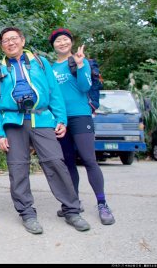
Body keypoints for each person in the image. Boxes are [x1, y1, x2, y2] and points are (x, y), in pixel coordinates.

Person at [0, 26, 91, 235]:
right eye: (6, 40)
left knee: (55, 162)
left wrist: (61, 119)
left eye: (14, 38)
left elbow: (54, 92)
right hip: (13, 122)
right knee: (17, 168)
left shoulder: (40, 62)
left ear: (22, 40)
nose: (11, 43)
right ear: (1, 46)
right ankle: (27, 213)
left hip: (42, 118)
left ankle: (72, 210)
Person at [49, 28, 115, 225]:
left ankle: (102, 203)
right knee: (68, 163)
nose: (62, 43)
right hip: (60, 120)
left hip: (80, 116)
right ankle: (73, 202)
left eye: (65, 40)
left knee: (89, 160)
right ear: (53, 45)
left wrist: (80, 65)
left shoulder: (80, 61)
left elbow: (85, 87)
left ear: (71, 42)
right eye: (58, 40)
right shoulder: (51, 68)